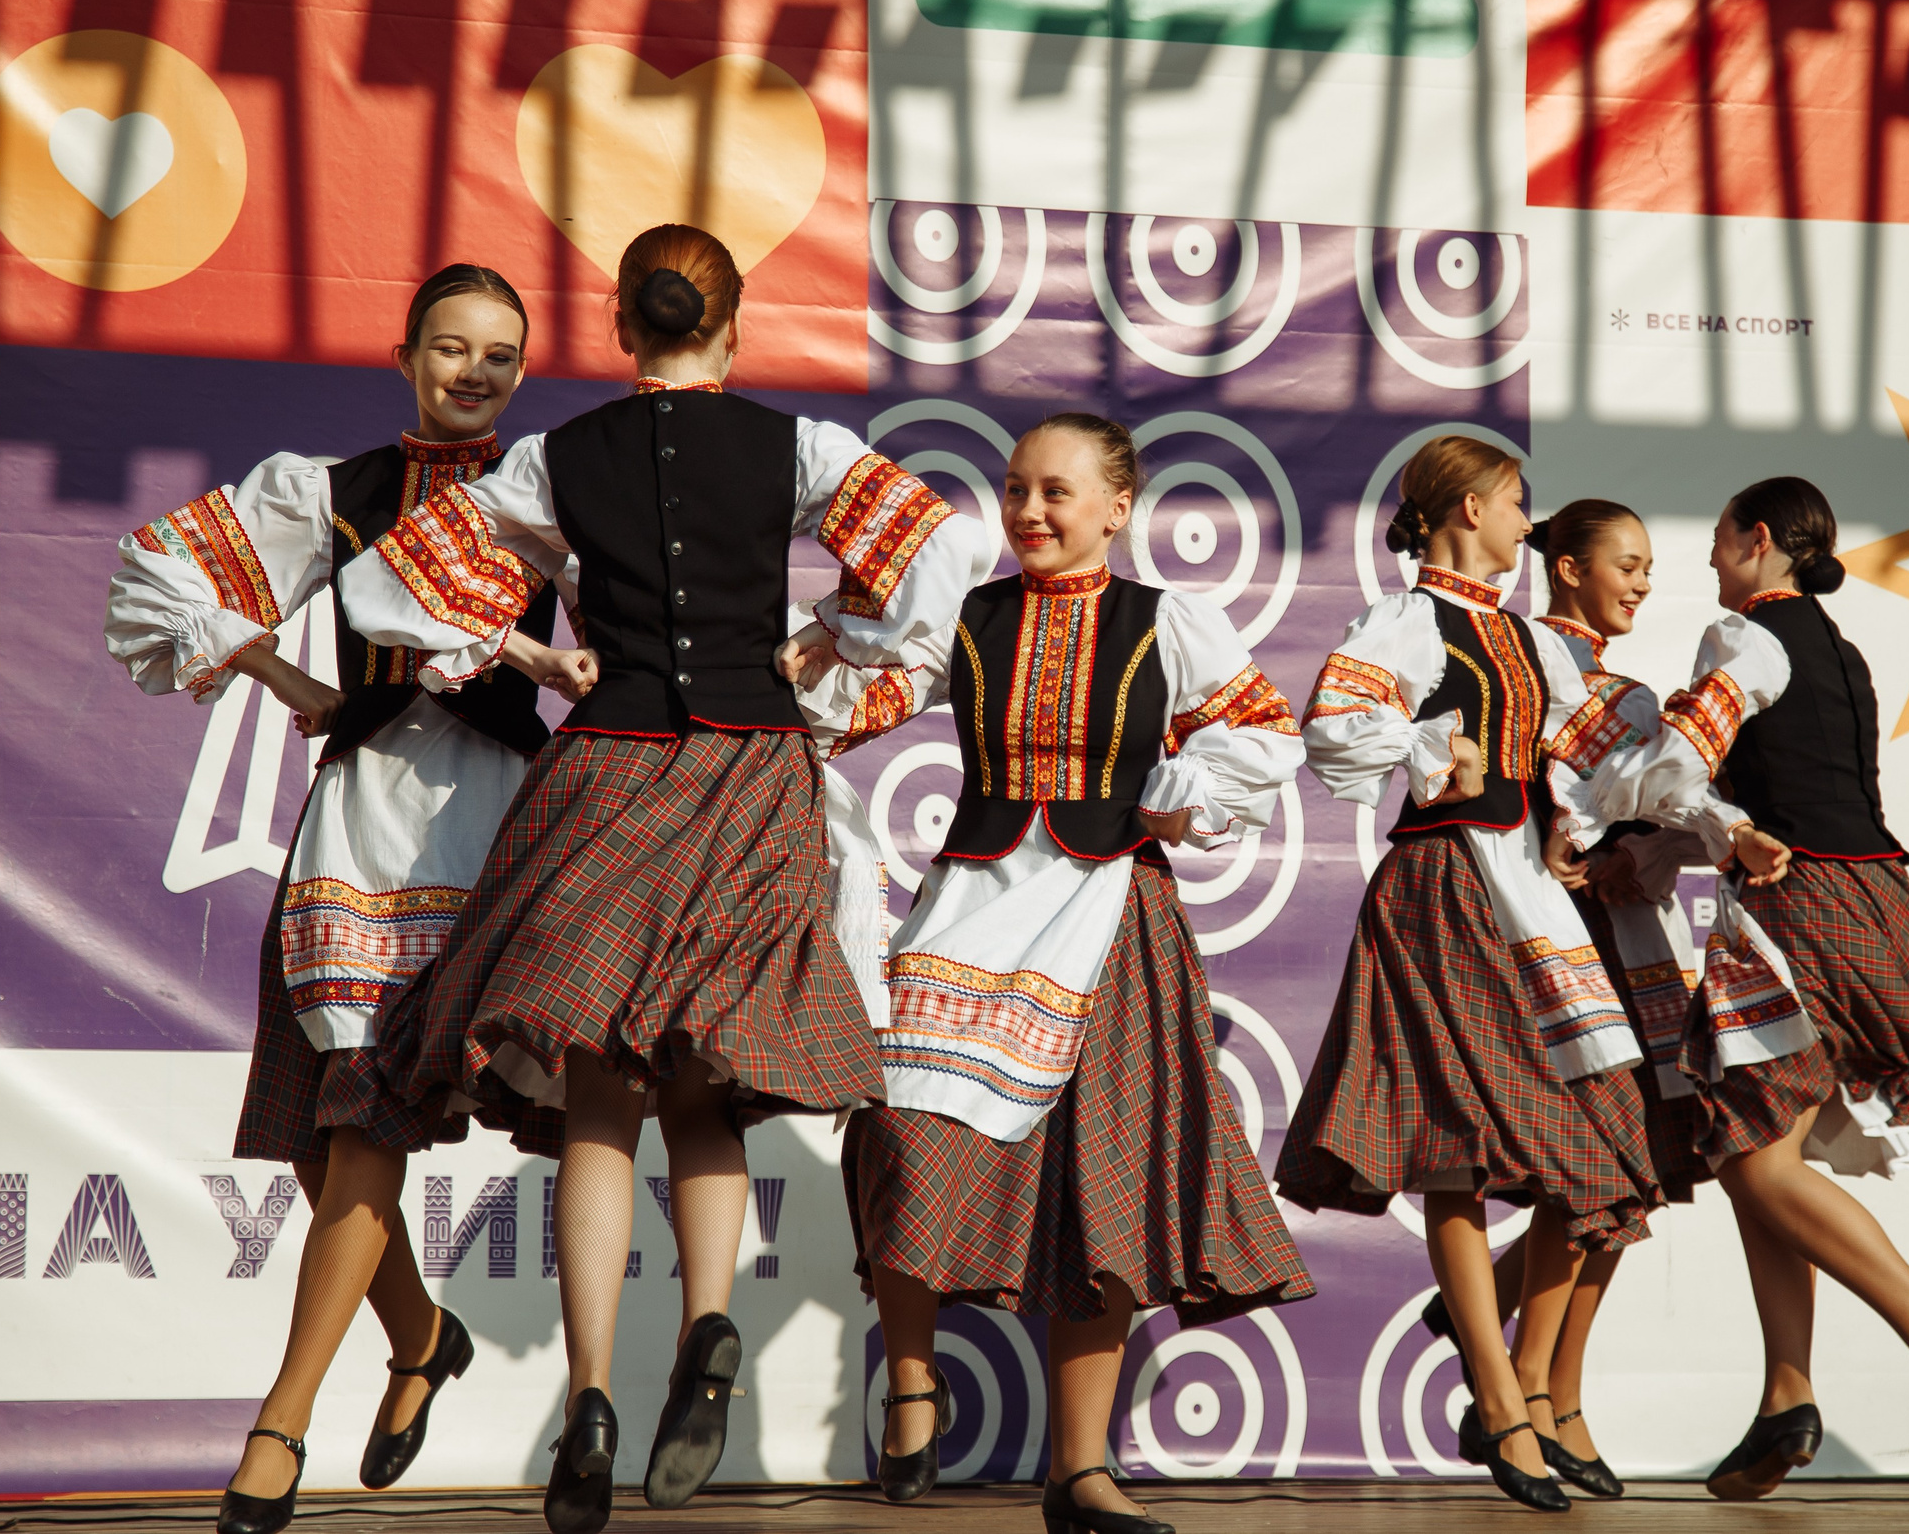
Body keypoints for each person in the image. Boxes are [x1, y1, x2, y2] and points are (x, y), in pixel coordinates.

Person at [334, 224, 985, 1534]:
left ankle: (589, 1395)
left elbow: (382, 587)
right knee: (707, 1089)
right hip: (748, 769)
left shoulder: (556, 458)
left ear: (622, 329)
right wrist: (820, 637)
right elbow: (941, 555)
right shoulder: (797, 447)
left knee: (594, 1093)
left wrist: (526, 649)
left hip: (612, 767)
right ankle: (708, 1325)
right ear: (731, 328)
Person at [105, 265, 588, 1534]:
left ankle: (281, 1424)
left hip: (491, 818)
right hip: (365, 812)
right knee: (336, 1135)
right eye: (449, 347)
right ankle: (421, 1335)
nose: (472, 371)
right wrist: (275, 672)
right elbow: (161, 573)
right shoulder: (336, 490)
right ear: (403, 354)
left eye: (497, 354)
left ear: (522, 373)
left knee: (364, 1128)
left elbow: (630, 635)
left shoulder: (550, 494)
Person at [1276, 439, 1784, 1514]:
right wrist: (1433, 751)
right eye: (1518, 504)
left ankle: (1514, 1391)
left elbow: (1615, 765)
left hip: (1520, 895)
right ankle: (1506, 1397)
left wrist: (1715, 822)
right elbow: (1331, 734)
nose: (1527, 521)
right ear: (1472, 506)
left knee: (1602, 1133)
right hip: (1440, 887)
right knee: (1453, 1150)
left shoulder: (1528, 642)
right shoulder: (1408, 622)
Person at [842, 413, 1311, 1534]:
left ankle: (1079, 1471)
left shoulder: (1163, 623)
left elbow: (1263, 730)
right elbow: (857, 702)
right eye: (1014, 489)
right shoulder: (967, 615)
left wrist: (1183, 791)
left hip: (1110, 912)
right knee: (902, 1126)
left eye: (1056, 492)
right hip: (973, 904)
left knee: (1097, 1188)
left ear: (1118, 508)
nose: (1030, 511)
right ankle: (914, 1382)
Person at [1664, 476, 1909, 1498]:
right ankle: (1787, 1394)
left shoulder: (1743, 641)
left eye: (1721, 543)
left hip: (1799, 909)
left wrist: (1641, 804)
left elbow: (1683, 760)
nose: (1708, 563)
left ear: (1759, 540)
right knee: (1754, 1152)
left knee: (1755, 1163)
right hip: (1876, 904)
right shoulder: (1839, 651)